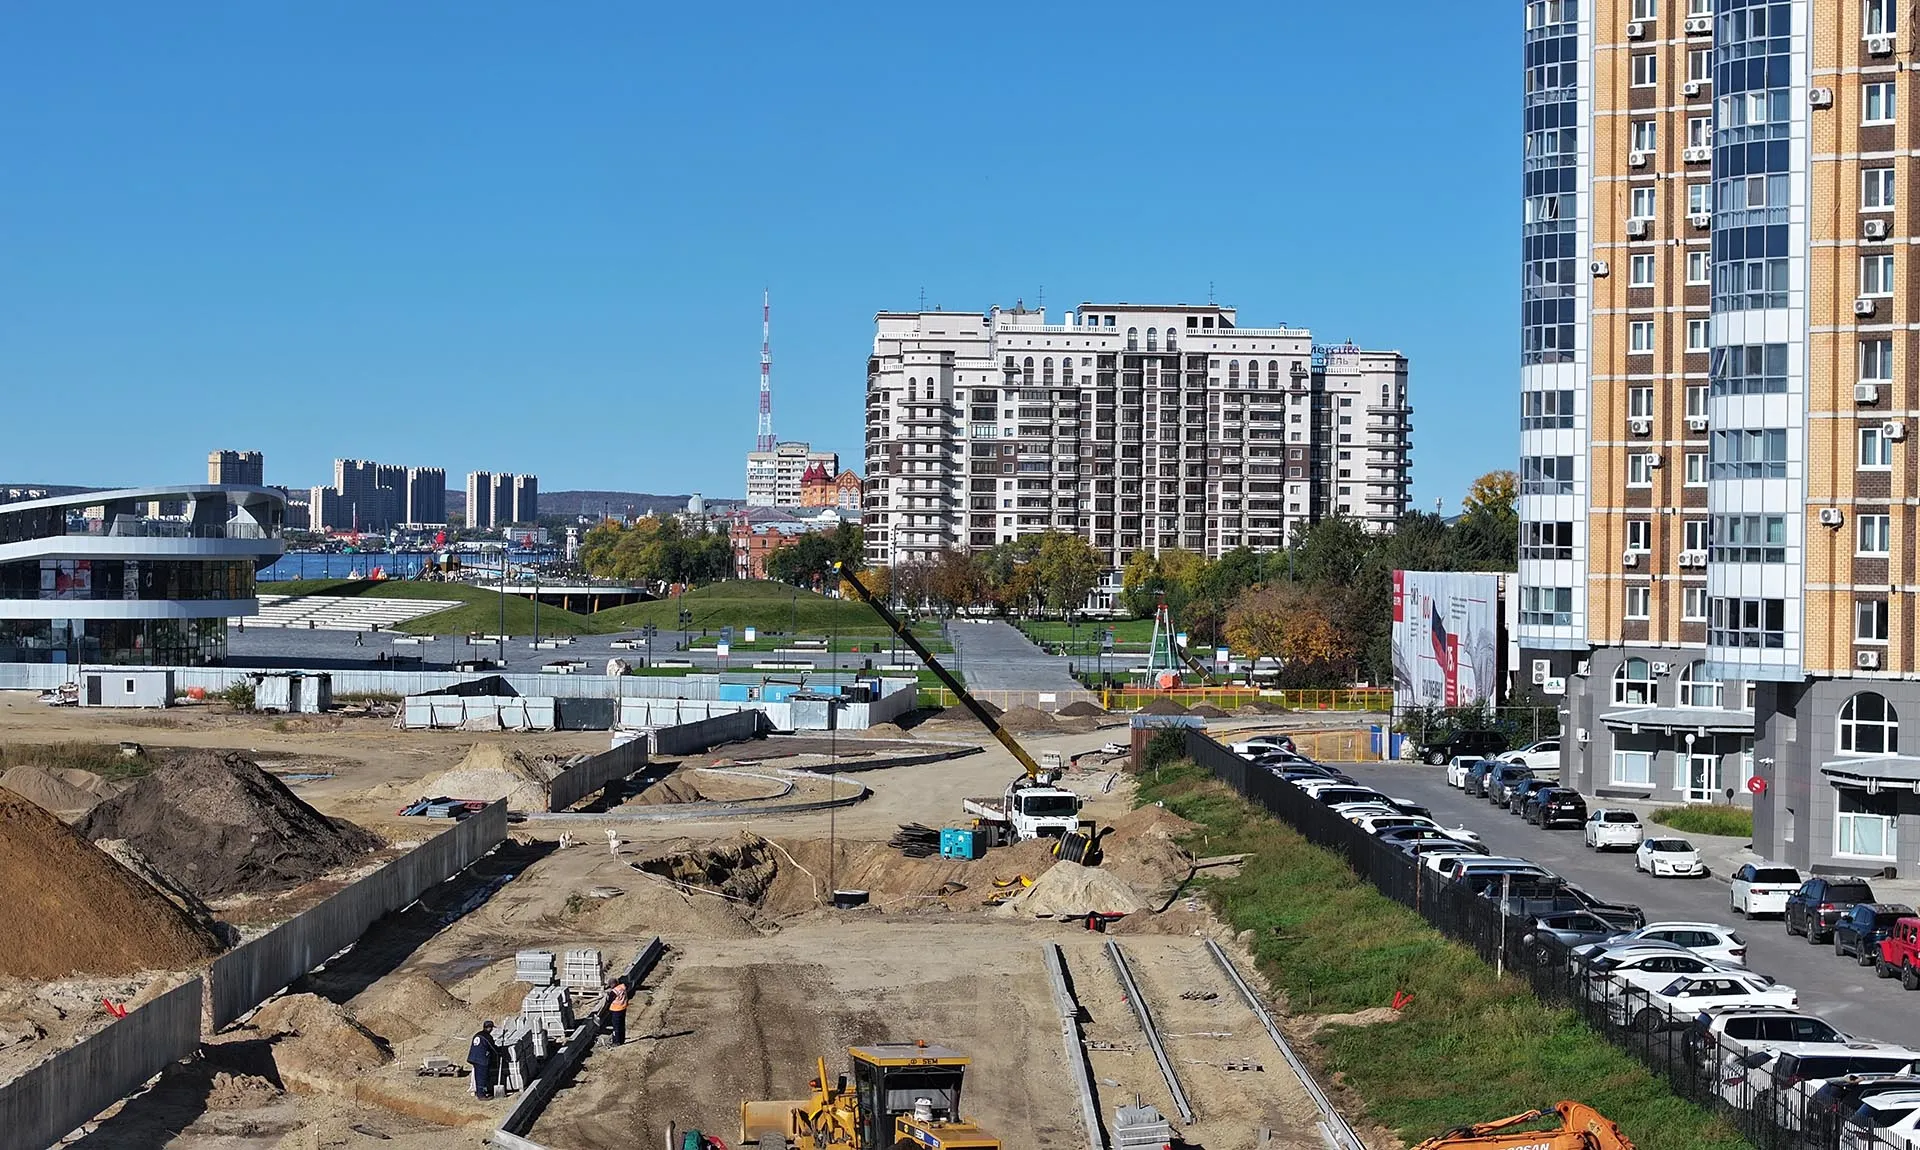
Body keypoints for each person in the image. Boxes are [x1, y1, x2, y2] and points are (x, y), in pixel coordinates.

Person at [467, 1021, 500, 1098]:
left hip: (474, 1058)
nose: (492, 1030)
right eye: (491, 1028)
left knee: (478, 1076)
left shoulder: (477, 1035)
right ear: (489, 1028)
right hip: (481, 1059)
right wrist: (499, 1052)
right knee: (482, 1077)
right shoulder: (487, 1037)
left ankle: (481, 1092)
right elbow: (492, 1048)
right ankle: (481, 1095)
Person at [606, 979, 629, 1045]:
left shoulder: (614, 992)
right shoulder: (622, 987)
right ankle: (622, 1040)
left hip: (616, 1010)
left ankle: (616, 1041)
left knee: (616, 1027)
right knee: (622, 1025)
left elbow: (609, 1000)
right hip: (623, 1008)